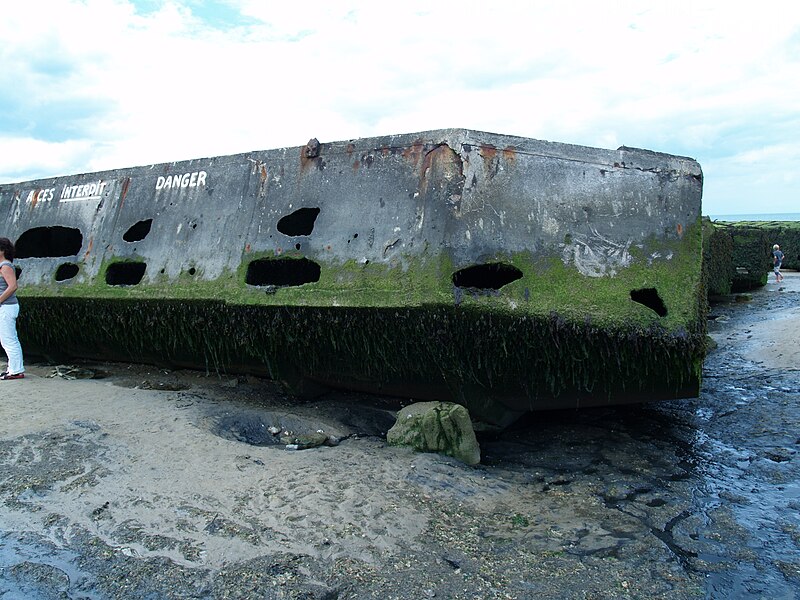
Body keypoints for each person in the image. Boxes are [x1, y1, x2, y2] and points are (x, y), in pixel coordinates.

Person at [0, 237, 24, 380]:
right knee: (6, 339)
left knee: (9, 340)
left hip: (6, 307)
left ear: (2, 250)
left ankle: (16, 371)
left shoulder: (6, 266)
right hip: (5, 307)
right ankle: (12, 369)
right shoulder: (3, 265)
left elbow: (13, 286)